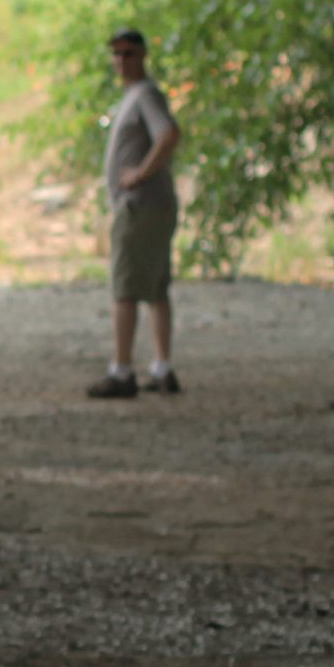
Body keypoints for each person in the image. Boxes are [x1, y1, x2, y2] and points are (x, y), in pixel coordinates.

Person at [88, 27, 182, 398]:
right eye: (116, 54)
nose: (121, 61)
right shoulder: (133, 97)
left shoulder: (145, 95)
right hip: (152, 205)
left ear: (143, 54)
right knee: (157, 287)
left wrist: (141, 173)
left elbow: (169, 134)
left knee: (125, 287)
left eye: (128, 53)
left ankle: (122, 370)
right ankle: (162, 367)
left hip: (140, 206)